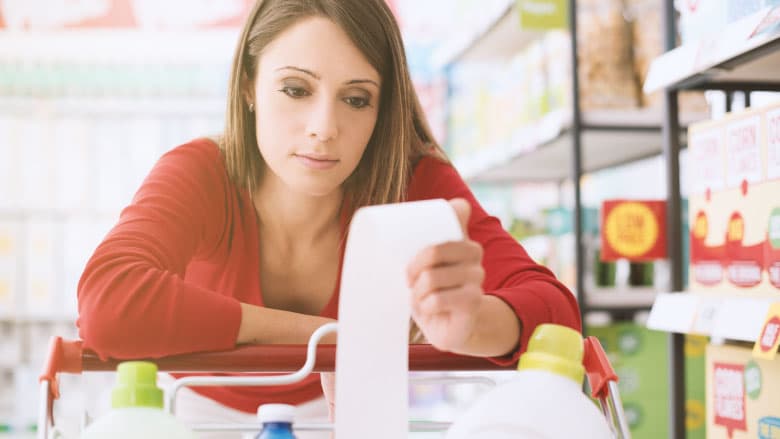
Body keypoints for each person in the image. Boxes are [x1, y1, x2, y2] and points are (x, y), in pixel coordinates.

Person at [77, 0, 580, 437]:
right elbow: (109, 304)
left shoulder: (412, 181)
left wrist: (472, 326)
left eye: (356, 99)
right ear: (250, 86)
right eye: (296, 90)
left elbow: (555, 312)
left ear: (382, 110)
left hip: (352, 417)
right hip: (196, 413)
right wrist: (333, 334)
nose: (324, 129)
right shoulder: (202, 172)